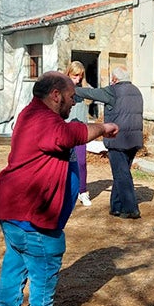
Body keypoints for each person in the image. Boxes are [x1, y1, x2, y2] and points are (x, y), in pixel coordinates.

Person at [0, 71, 118, 306]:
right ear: (56, 95)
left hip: (15, 209)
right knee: (45, 262)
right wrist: (103, 128)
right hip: (31, 213)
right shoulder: (42, 119)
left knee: (16, 262)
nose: (74, 103)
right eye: (72, 97)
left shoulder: (33, 114)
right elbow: (71, 134)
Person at [74, 65, 144, 219]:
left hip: (118, 139)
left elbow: (91, 93)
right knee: (121, 173)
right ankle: (116, 207)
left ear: (114, 79)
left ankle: (131, 208)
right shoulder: (137, 91)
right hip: (135, 140)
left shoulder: (112, 91)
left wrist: (72, 89)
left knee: (121, 174)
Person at [66, 61, 91, 207]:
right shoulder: (60, 90)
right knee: (64, 163)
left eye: (80, 77)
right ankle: (65, 191)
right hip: (65, 130)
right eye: (75, 76)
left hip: (81, 132)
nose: (77, 80)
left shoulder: (85, 90)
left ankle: (83, 192)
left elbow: (98, 95)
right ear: (68, 74)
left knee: (81, 162)